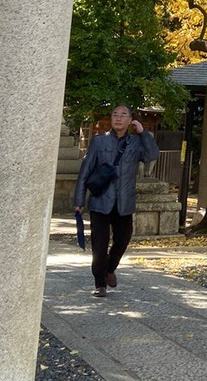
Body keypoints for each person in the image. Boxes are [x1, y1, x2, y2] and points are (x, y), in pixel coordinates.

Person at [74, 105, 159, 297]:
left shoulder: (136, 143)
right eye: (115, 115)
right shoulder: (98, 141)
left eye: (123, 115)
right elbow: (85, 171)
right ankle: (99, 283)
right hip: (100, 201)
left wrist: (143, 132)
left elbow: (152, 155)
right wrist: (79, 200)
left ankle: (109, 269)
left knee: (122, 240)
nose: (118, 118)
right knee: (99, 245)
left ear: (130, 120)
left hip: (124, 202)